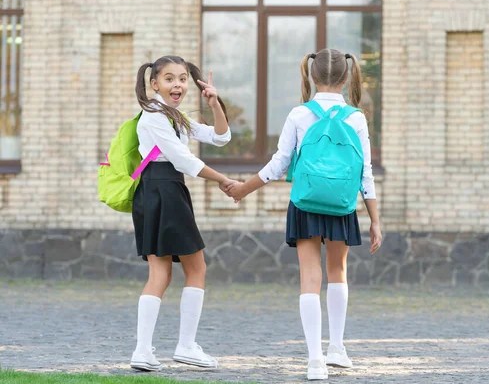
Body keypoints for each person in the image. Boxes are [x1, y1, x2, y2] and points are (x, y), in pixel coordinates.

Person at [226, 48, 382, 381]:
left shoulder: (299, 114)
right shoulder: (356, 117)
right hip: (341, 204)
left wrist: (244, 188)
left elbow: (279, 164)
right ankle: (337, 349)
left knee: (309, 278)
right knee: (337, 272)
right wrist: (376, 221)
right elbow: (365, 174)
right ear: (345, 76)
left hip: (305, 202)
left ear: (311, 76)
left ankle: (315, 360)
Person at [129, 55, 235, 371]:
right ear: (154, 83)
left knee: (162, 273)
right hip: (163, 190)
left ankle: (143, 351)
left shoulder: (175, 116)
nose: (178, 85)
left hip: (159, 191)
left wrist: (215, 102)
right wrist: (224, 180)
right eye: (170, 78)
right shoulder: (154, 117)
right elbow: (183, 160)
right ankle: (184, 346)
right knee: (196, 267)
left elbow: (220, 137)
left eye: (183, 78)